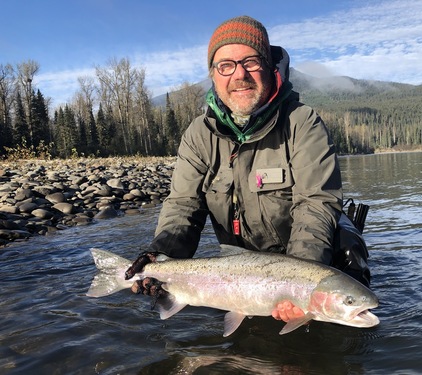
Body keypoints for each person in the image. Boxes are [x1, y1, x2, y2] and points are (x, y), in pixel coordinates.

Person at [127, 15, 371, 323]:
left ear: (269, 67)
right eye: (225, 66)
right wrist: (159, 254)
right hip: (242, 271)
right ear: (213, 76)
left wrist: (299, 284)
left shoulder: (301, 122)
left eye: (251, 62)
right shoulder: (198, 135)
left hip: (307, 259)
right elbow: (182, 208)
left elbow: (316, 204)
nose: (239, 74)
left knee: (348, 261)